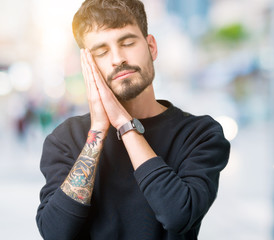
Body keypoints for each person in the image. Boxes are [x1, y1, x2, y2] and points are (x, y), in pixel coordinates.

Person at [36, 0, 230, 239]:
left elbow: (178, 215)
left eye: (127, 42)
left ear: (151, 47)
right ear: (88, 65)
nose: (118, 58)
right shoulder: (65, 139)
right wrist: (98, 129)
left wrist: (124, 124)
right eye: (101, 52)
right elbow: (54, 233)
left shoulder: (200, 134)